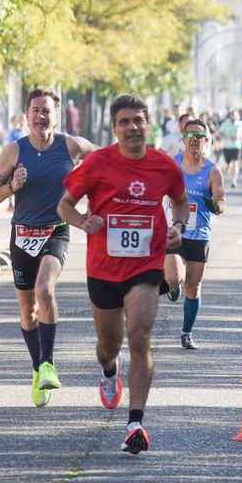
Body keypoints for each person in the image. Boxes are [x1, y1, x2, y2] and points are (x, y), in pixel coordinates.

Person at [57, 94, 188, 454]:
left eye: (138, 121)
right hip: (103, 268)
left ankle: (135, 423)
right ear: (115, 129)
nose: (132, 127)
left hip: (146, 265)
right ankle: (109, 370)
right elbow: (64, 205)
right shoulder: (97, 163)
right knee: (109, 346)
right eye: (124, 122)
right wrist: (84, 221)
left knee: (140, 337)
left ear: (148, 125)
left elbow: (179, 200)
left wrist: (177, 225)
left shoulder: (164, 166)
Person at [0, 88, 96, 407]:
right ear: (27, 115)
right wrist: (11, 187)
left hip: (56, 231)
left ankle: (48, 364)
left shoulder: (71, 145)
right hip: (22, 235)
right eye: (35, 110)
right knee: (27, 310)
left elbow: (106, 161)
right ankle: (37, 371)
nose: (41, 116)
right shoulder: (13, 152)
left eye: (46, 110)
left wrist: (92, 194)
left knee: (45, 289)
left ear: (56, 115)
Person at [164, 116, 227, 349]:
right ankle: (172, 284)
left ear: (206, 140)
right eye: (190, 135)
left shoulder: (213, 171)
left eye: (200, 136)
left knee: (194, 287)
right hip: (175, 231)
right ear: (183, 139)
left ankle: (186, 332)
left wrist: (216, 206)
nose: (194, 140)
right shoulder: (173, 164)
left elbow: (222, 200)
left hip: (200, 234)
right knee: (173, 276)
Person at [217, 109, 242, 188]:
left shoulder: (241, 124)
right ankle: (228, 166)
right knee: (228, 164)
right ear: (230, 116)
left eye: (235, 115)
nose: (233, 117)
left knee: (235, 163)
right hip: (227, 146)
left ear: (237, 116)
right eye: (232, 115)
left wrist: (238, 137)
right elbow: (219, 133)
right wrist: (226, 137)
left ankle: (234, 181)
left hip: (236, 146)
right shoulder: (225, 124)